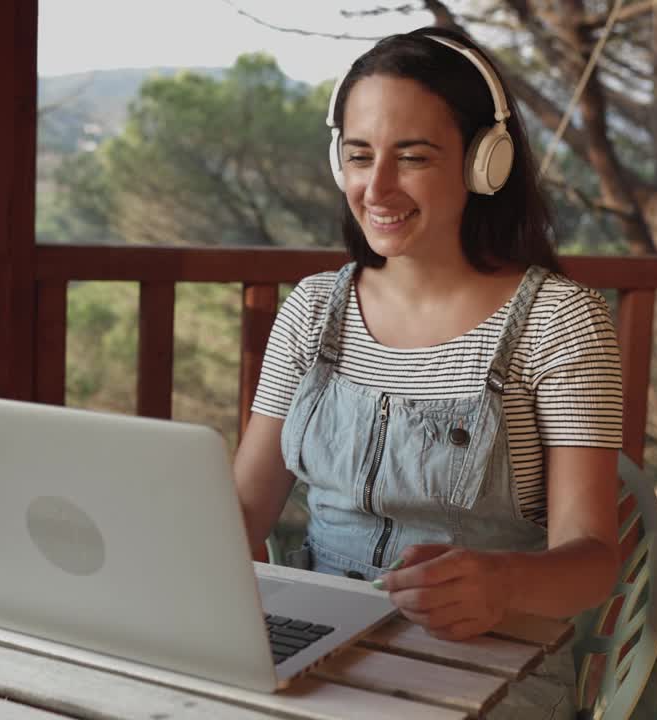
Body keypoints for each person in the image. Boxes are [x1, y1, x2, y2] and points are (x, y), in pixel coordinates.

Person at [232, 26, 624, 718]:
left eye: (412, 157)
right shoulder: (313, 307)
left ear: (486, 163)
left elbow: (593, 560)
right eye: (358, 156)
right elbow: (240, 513)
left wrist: (503, 583)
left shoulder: (561, 322)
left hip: (491, 674)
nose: (376, 187)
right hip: (316, 660)